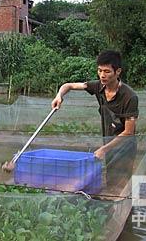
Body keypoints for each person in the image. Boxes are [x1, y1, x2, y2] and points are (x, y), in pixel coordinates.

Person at [51, 50, 138, 186]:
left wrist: (104, 149)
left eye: (107, 71)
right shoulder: (98, 86)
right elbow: (69, 85)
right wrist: (59, 96)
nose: (102, 75)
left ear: (118, 72)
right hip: (108, 142)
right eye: (99, 70)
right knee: (110, 181)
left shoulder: (129, 97)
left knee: (122, 183)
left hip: (124, 147)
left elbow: (128, 132)